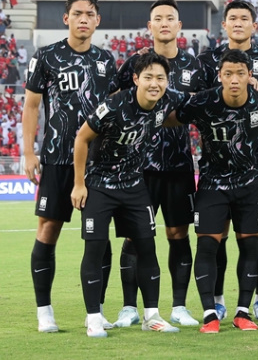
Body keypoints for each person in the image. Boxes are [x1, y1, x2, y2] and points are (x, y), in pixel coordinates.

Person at [168, 49, 258, 333]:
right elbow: (171, 117)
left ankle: (243, 312)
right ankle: (210, 314)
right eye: (228, 74)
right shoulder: (203, 101)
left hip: (249, 185)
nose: (234, 79)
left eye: (240, 74)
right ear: (219, 76)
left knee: (250, 246)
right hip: (212, 185)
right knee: (208, 246)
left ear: (250, 76)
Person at [23, 0, 118, 333]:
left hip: (98, 163)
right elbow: (32, 105)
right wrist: (29, 152)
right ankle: (44, 311)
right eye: (77, 13)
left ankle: (97, 310)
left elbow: (116, 109)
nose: (83, 19)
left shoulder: (106, 60)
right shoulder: (46, 56)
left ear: (97, 20)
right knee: (48, 230)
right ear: (66, 18)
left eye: (89, 14)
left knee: (99, 236)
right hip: (57, 159)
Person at [71, 52, 182, 338]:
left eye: (160, 78)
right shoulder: (112, 106)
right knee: (94, 249)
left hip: (134, 186)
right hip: (99, 185)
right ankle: (94, 318)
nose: (155, 83)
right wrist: (79, 184)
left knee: (147, 247)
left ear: (167, 81)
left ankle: (151, 316)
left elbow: (198, 101)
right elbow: (82, 138)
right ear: (135, 79)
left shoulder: (167, 101)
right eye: (148, 77)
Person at [113, 0, 202, 328]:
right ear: (149, 26)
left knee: (178, 233)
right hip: (138, 168)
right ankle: (128, 307)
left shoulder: (195, 66)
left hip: (179, 166)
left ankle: (179, 307)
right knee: (134, 236)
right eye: (158, 19)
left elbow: (212, 104)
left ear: (179, 26)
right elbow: (113, 103)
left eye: (170, 18)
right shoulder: (134, 65)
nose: (164, 23)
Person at [196, 0, 258, 322]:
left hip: (256, 157)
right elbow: (198, 100)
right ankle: (218, 299)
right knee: (215, 234)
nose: (237, 23)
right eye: (232, 18)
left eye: (244, 18)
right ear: (224, 24)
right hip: (217, 158)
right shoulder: (207, 60)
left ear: (253, 25)